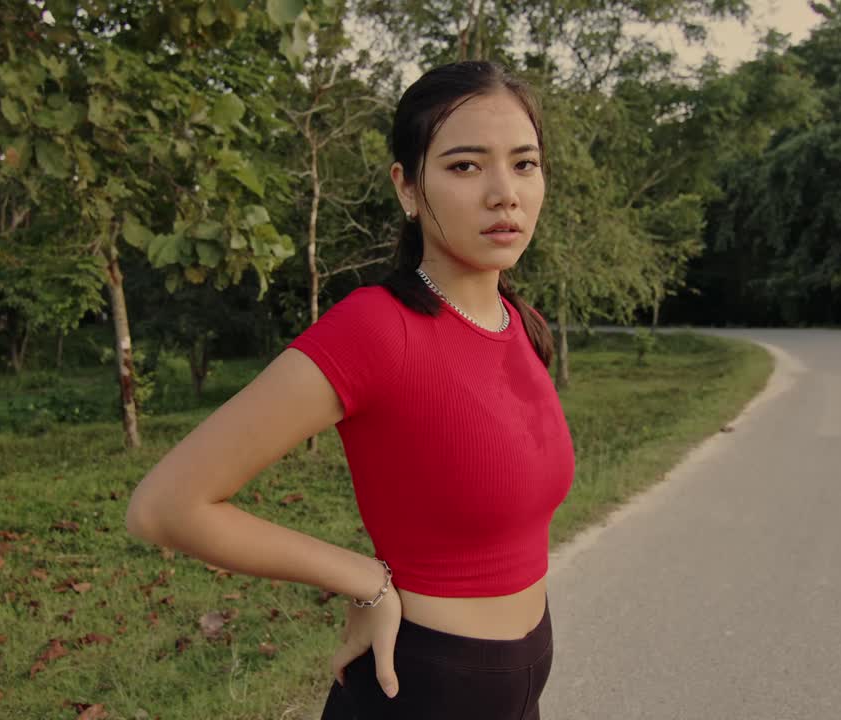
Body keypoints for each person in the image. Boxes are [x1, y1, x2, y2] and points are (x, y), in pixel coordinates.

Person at [125, 60, 575, 720]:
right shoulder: (377, 329)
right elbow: (164, 506)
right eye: (464, 166)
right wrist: (364, 581)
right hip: (424, 688)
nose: (504, 193)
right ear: (408, 187)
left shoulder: (519, 324)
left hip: (522, 678)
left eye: (524, 164)